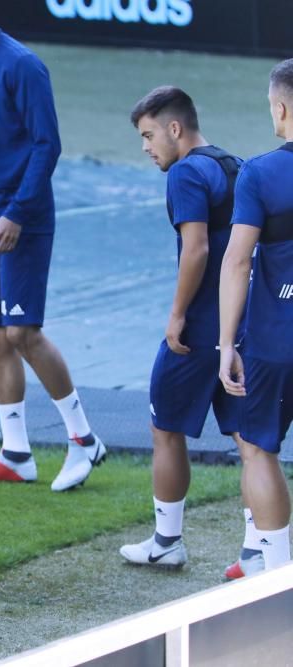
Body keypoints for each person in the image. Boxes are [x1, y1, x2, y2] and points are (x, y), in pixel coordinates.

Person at [0, 0, 105, 491]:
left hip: (20, 223)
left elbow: (45, 145)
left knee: (21, 332)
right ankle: (16, 454)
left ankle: (83, 440)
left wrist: (16, 213)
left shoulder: (23, 65)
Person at [120, 86, 260, 577]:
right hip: (245, 327)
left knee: (165, 428)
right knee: (251, 442)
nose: (146, 146)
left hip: (199, 327)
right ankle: (258, 551)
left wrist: (178, 313)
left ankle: (166, 541)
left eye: (148, 134)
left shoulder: (184, 173)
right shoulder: (235, 165)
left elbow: (196, 249)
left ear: (175, 129)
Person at [218, 58, 293, 571]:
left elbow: (238, 260)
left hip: (275, 340)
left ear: (281, 107)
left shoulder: (261, 173)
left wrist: (226, 345)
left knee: (260, 450)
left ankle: (279, 575)